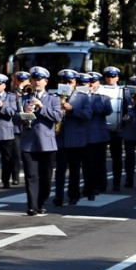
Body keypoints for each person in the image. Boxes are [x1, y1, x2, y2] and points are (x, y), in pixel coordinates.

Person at [18, 67, 62, 215]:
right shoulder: (24, 98)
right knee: (31, 176)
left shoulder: (53, 99)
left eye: (39, 79)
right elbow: (14, 118)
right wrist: (25, 113)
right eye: (34, 79)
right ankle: (32, 205)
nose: (36, 82)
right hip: (28, 143)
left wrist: (41, 107)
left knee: (46, 178)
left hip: (46, 143)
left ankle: (42, 202)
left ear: (46, 81)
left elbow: (57, 117)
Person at [53, 68, 91, 206]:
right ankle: (58, 196)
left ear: (75, 82)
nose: (67, 84)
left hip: (76, 139)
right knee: (60, 170)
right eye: (64, 81)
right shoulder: (54, 96)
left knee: (74, 170)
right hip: (60, 139)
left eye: (70, 81)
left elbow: (88, 115)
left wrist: (73, 109)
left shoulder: (82, 97)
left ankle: (74, 195)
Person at [100, 67, 127, 191]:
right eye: (108, 76)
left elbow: (128, 107)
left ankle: (116, 182)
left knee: (116, 158)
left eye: (113, 76)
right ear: (105, 78)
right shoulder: (100, 89)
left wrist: (127, 117)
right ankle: (103, 183)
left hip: (117, 129)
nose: (110, 79)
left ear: (117, 78)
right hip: (102, 129)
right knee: (101, 158)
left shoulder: (123, 91)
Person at [0, 73, 17, 188]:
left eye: (0, 84)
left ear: (4, 86)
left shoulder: (10, 97)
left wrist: (1, 107)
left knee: (7, 159)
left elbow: (12, 112)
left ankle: (6, 180)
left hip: (5, 131)